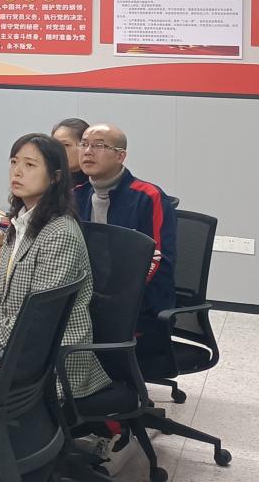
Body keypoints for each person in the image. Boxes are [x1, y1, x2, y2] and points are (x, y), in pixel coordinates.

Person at [0, 133, 110, 404]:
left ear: (55, 177)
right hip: (18, 344)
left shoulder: (59, 233)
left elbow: (36, 318)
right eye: (14, 162)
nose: (17, 171)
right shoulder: (20, 223)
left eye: (30, 165)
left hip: (46, 357)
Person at [73, 124, 177, 370]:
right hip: (88, 303)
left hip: (139, 309)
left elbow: (158, 259)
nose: (88, 151)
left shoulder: (148, 196)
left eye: (98, 145)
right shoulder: (75, 195)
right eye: (84, 144)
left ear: (120, 156)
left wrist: (118, 299)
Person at [52, 116, 90, 187]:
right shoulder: (50, 180)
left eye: (66, 145)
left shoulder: (96, 182)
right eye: (54, 145)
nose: (57, 150)